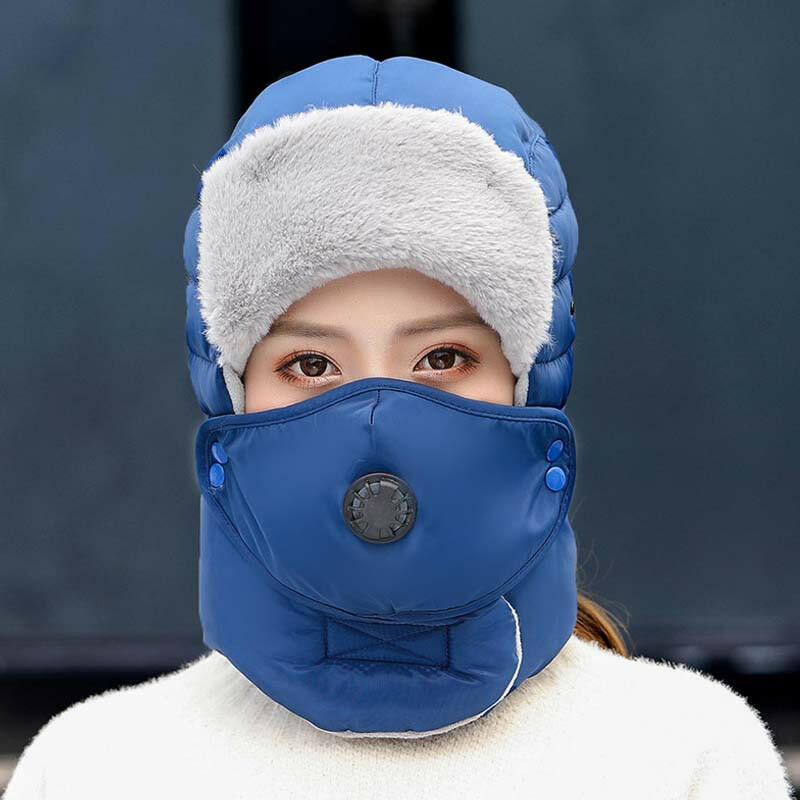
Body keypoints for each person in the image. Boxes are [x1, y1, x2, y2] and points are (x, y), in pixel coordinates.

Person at [5, 55, 793, 800]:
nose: (377, 423)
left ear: (530, 384)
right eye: (312, 364)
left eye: (442, 357)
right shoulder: (96, 768)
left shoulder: (684, 757)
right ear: (230, 398)